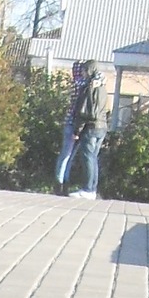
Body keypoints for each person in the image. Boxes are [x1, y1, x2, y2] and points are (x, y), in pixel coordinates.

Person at [69, 61, 110, 201]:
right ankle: (92, 189)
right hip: (102, 126)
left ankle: (87, 189)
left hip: (91, 126)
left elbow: (84, 112)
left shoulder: (89, 87)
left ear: (89, 70)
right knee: (93, 158)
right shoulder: (102, 86)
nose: (82, 73)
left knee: (88, 158)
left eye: (84, 70)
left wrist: (76, 131)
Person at [54, 60, 87, 190]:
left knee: (68, 155)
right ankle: (60, 182)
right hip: (73, 123)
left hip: (71, 122)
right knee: (67, 155)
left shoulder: (76, 84)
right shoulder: (80, 84)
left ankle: (63, 181)